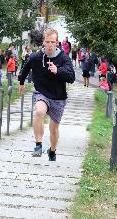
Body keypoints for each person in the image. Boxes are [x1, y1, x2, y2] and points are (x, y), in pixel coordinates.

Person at [18, 28, 75, 161]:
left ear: (57, 42)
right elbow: (25, 67)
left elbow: (71, 77)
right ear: (43, 42)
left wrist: (58, 70)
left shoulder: (63, 58)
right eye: (47, 41)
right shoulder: (35, 57)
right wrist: (21, 81)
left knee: (53, 128)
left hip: (58, 97)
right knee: (39, 111)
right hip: (41, 93)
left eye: (52, 42)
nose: (50, 44)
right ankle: (38, 145)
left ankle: (52, 150)